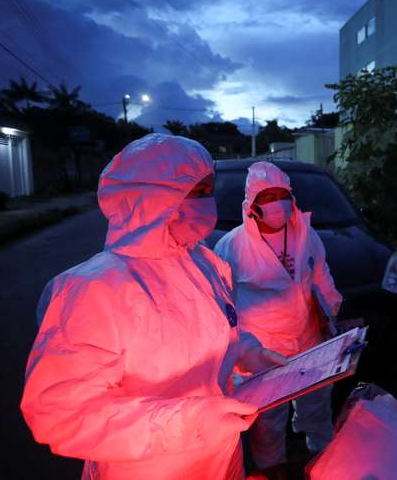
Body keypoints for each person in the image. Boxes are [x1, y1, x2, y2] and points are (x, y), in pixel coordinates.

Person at [21, 134, 285, 480]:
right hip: (148, 469)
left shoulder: (204, 262)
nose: (211, 203)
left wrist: (248, 353)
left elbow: (218, 328)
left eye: (210, 190)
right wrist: (188, 422)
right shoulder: (96, 289)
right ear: (158, 199)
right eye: (200, 192)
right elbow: (60, 415)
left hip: (221, 456)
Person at [213, 161, 343, 470]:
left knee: (316, 406)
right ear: (252, 204)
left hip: (309, 338)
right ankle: (274, 470)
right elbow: (221, 306)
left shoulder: (305, 235)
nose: (276, 203)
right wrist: (239, 351)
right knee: (268, 419)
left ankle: (321, 462)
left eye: (281, 194)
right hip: (262, 350)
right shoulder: (231, 246)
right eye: (267, 196)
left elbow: (321, 277)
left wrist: (333, 315)